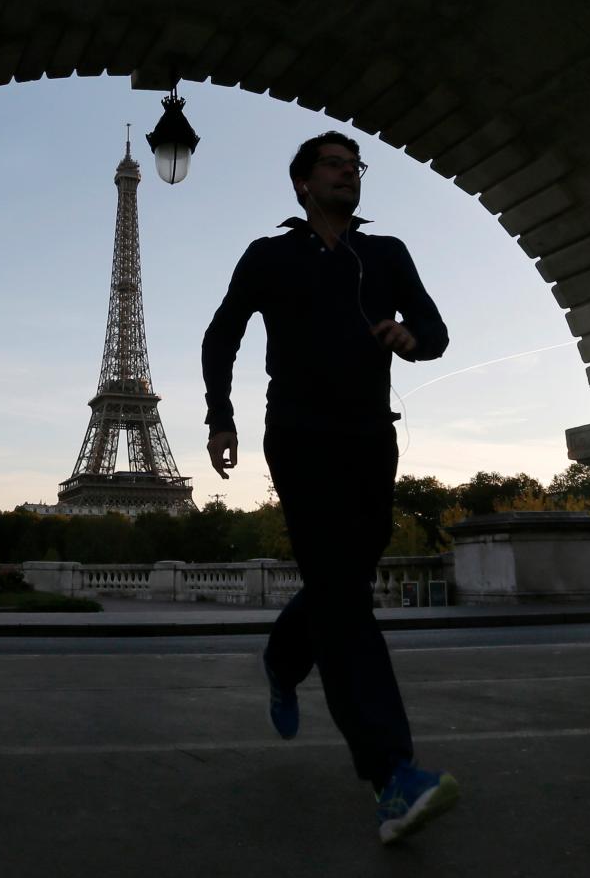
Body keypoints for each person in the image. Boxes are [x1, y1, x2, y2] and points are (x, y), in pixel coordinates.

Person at [201, 131, 456, 845]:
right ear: (302, 185)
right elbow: (222, 334)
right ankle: (392, 774)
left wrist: (411, 336)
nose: (350, 174)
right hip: (301, 434)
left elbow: (436, 330)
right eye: (335, 166)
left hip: (372, 433)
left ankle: (284, 657)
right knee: (345, 598)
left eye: (356, 166)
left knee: (344, 576)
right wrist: (220, 417)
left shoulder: (387, 253)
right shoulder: (269, 255)